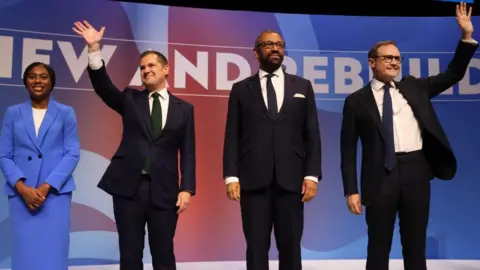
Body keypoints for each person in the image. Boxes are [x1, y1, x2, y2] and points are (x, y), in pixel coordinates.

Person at [340, 3, 477, 270]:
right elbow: (347, 149)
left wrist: (465, 37)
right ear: (372, 63)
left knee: (415, 246)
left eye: (397, 58)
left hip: (416, 172)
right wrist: (351, 190)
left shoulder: (415, 87)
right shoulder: (356, 101)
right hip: (380, 177)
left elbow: (453, 74)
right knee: (378, 246)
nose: (394, 62)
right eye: (387, 58)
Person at [72, 21, 196, 270]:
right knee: (130, 254)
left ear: (166, 69)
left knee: (164, 254)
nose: (146, 70)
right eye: (142, 68)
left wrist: (187, 189)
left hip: (165, 190)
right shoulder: (131, 99)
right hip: (129, 188)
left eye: (151, 65)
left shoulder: (185, 109)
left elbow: (189, 151)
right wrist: (94, 49)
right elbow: (104, 88)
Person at [223, 29, 322, 270]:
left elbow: (312, 135)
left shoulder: (303, 86)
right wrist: (231, 176)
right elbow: (231, 136)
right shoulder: (240, 89)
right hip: (252, 181)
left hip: (292, 181)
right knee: (256, 247)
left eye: (279, 44)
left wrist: (311, 175)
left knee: (290, 246)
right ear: (256, 53)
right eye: (268, 44)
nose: (275, 48)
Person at [0, 62, 80, 270]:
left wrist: (46, 186)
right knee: (24, 253)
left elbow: (72, 153)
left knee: (53, 253)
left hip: (54, 195)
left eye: (43, 76)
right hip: (21, 195)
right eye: (32, 76)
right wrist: (22, 188)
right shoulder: (13, 113)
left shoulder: (66, 112)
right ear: (26, 82)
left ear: (52, 82)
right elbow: (4, 155)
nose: (37, 81)